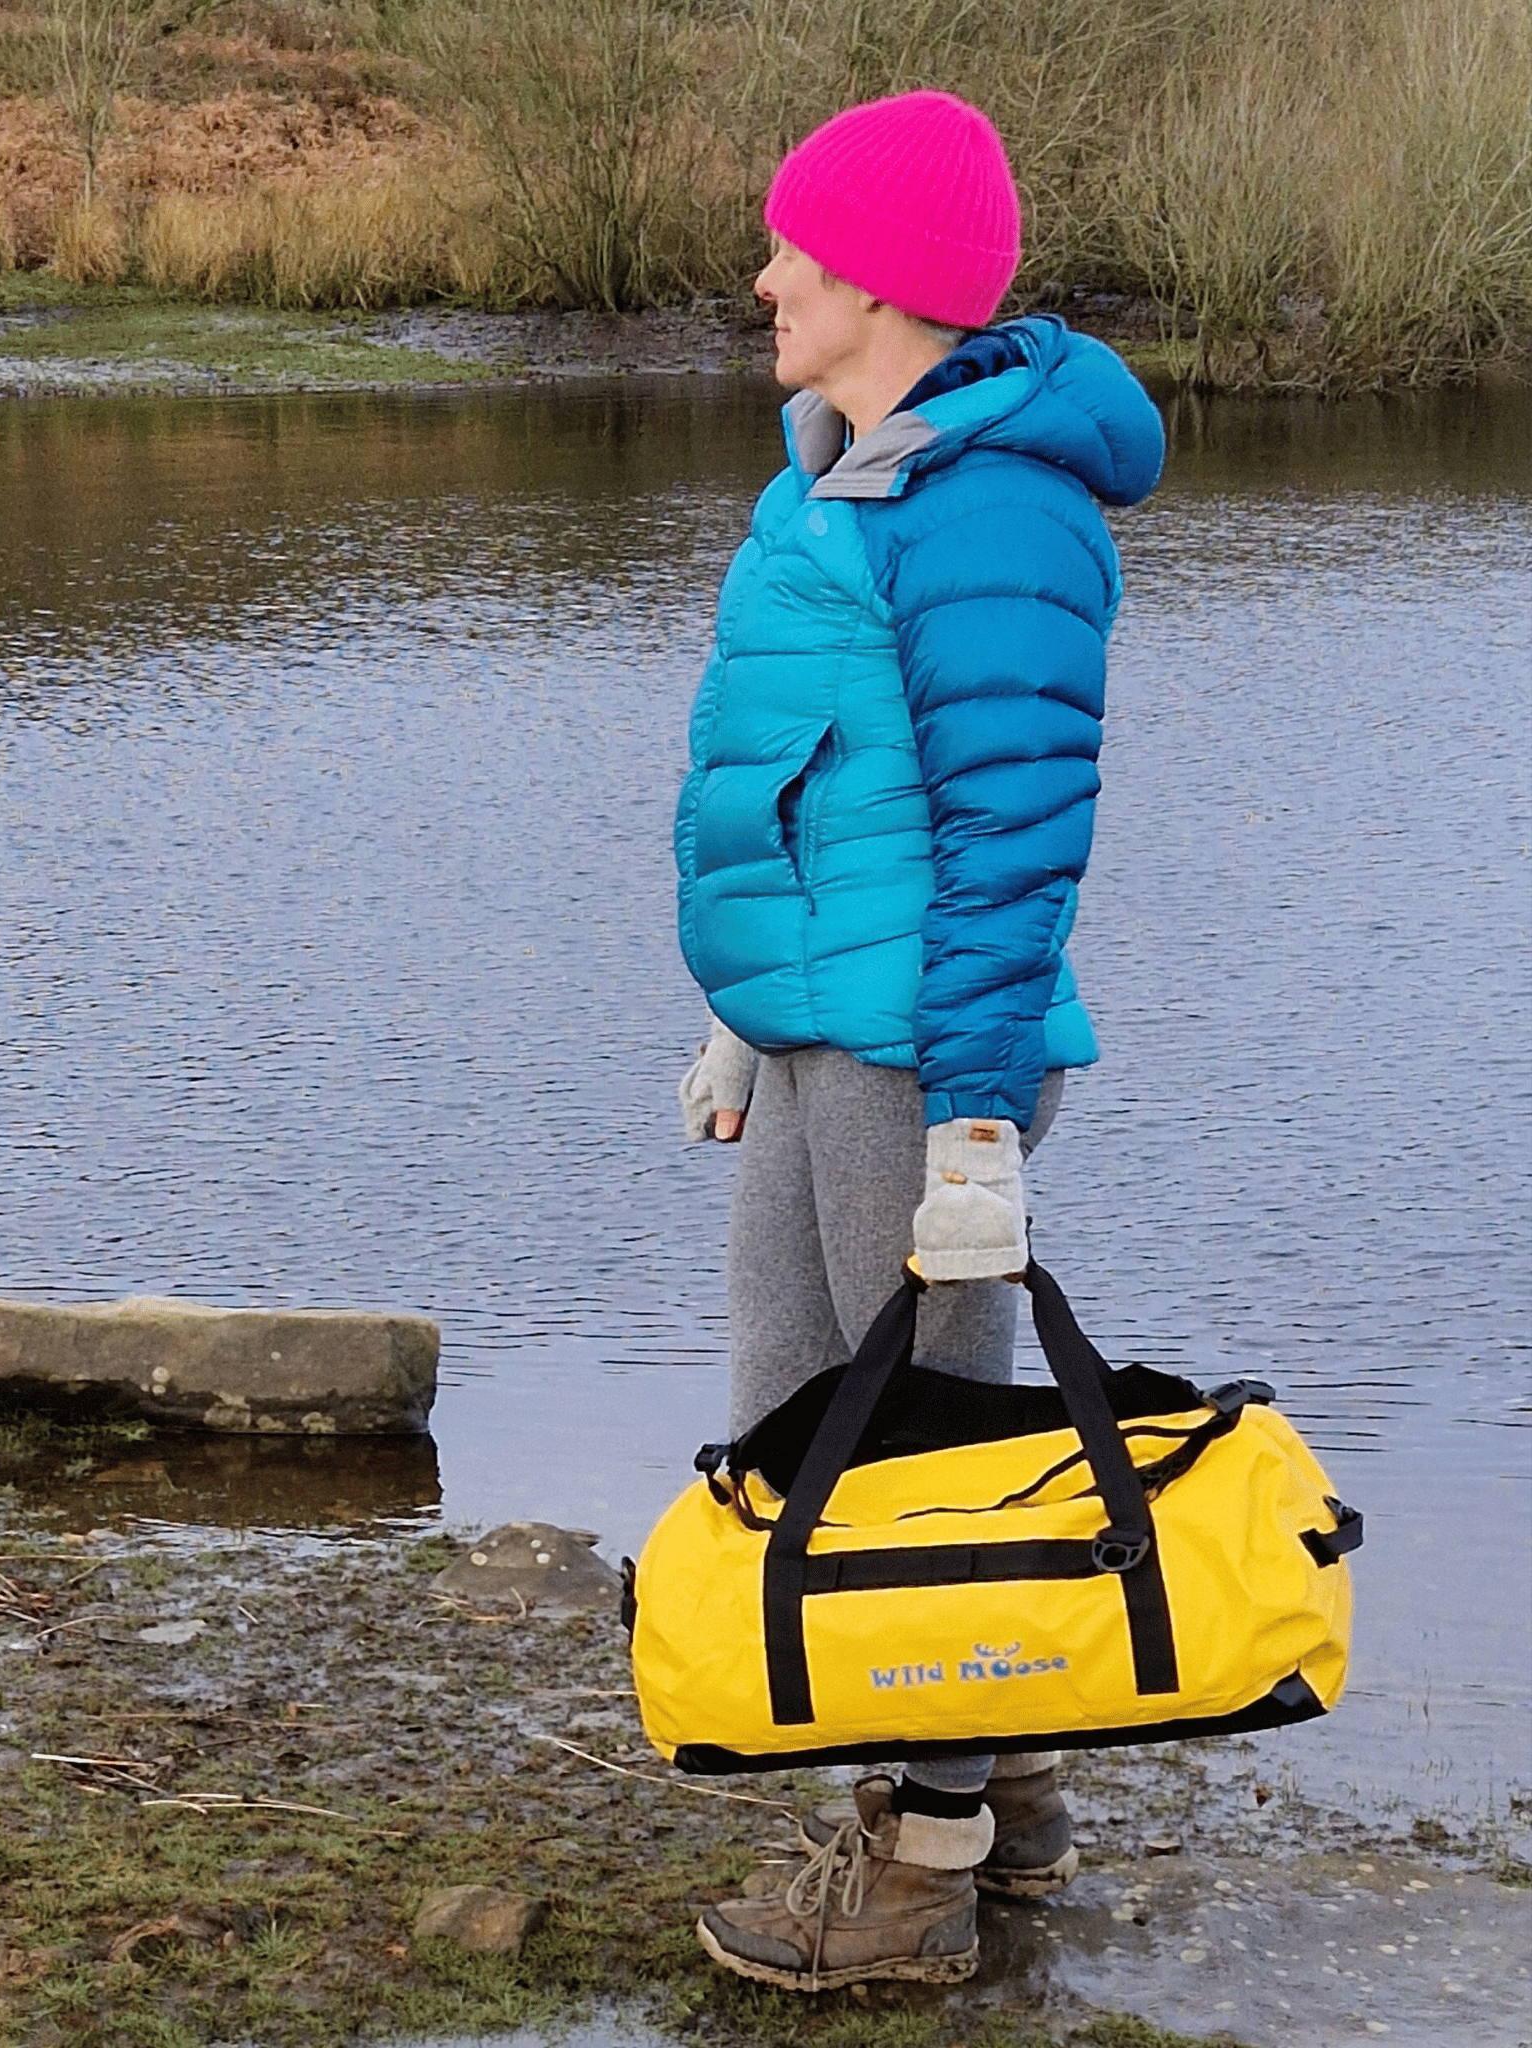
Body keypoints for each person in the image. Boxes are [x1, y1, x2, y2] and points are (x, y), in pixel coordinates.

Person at [673, 88, 1164, 1991]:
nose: (766, 276)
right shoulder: (837, 476)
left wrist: (973, 1121)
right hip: (821, 1029)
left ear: (877, 277)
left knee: (922, 1448)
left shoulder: (991, 505)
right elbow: (804, 792)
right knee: (798, 1409)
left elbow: (1015, 825)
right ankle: (1009, 1780)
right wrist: (737, 1020)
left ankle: (921, 1867)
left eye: (794, 245)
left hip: (920, 1052)